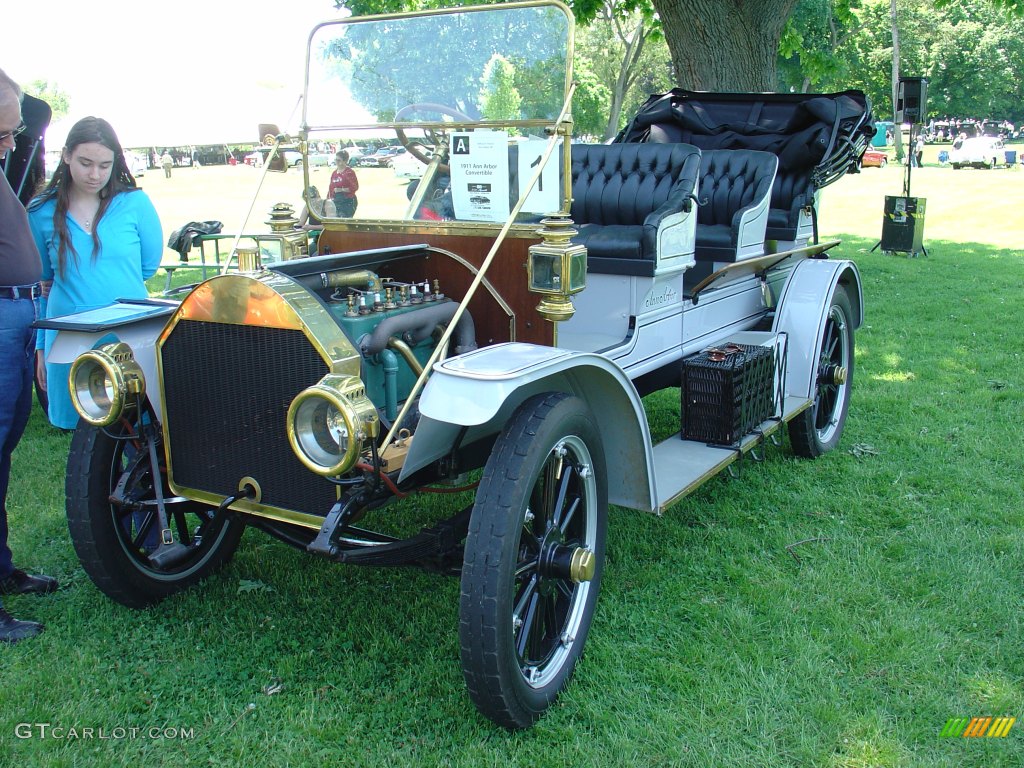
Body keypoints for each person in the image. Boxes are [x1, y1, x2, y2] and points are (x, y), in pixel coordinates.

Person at [28, 116, 163, 431]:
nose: (95, 174)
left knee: (137, 427)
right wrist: (40, 346)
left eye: (105, 165)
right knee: (80, 432)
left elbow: (147, 266)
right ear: (66, 156)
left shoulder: (135, 203)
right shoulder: (40, 210)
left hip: (128, 332)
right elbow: (45, 281)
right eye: (85, 163)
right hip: (69, 336)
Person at [0, 67, 58, 644]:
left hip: (16, 315)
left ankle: (3, 570)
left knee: (4, 453)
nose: (13, 145)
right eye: (3, 135)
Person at [328, 149, 359, 218]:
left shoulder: (349, 172)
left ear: (345, 161)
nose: (336, 162)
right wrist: (328, 200)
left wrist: (341, 189)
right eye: (336, 160)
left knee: (344, 220)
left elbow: (355, 187)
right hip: (336, 201)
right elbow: (331, 187)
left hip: (347, 201)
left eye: (339, 160)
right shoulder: (334, 173)